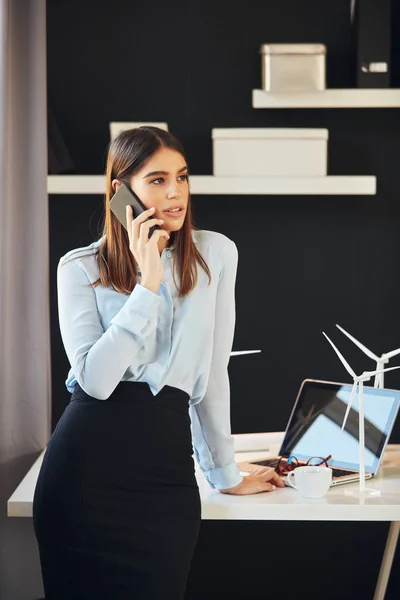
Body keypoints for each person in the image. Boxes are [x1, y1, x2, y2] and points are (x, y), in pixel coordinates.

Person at [33, 126, 284, 600]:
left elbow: (212, 376)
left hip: (165, 482)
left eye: (182, 178)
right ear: (120, 191)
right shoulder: (80, 269)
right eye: (157, 180)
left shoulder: (215, 255)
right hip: (83, 480)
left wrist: (224, 473)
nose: (174, 193)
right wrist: (147, 284)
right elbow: (95, 383)